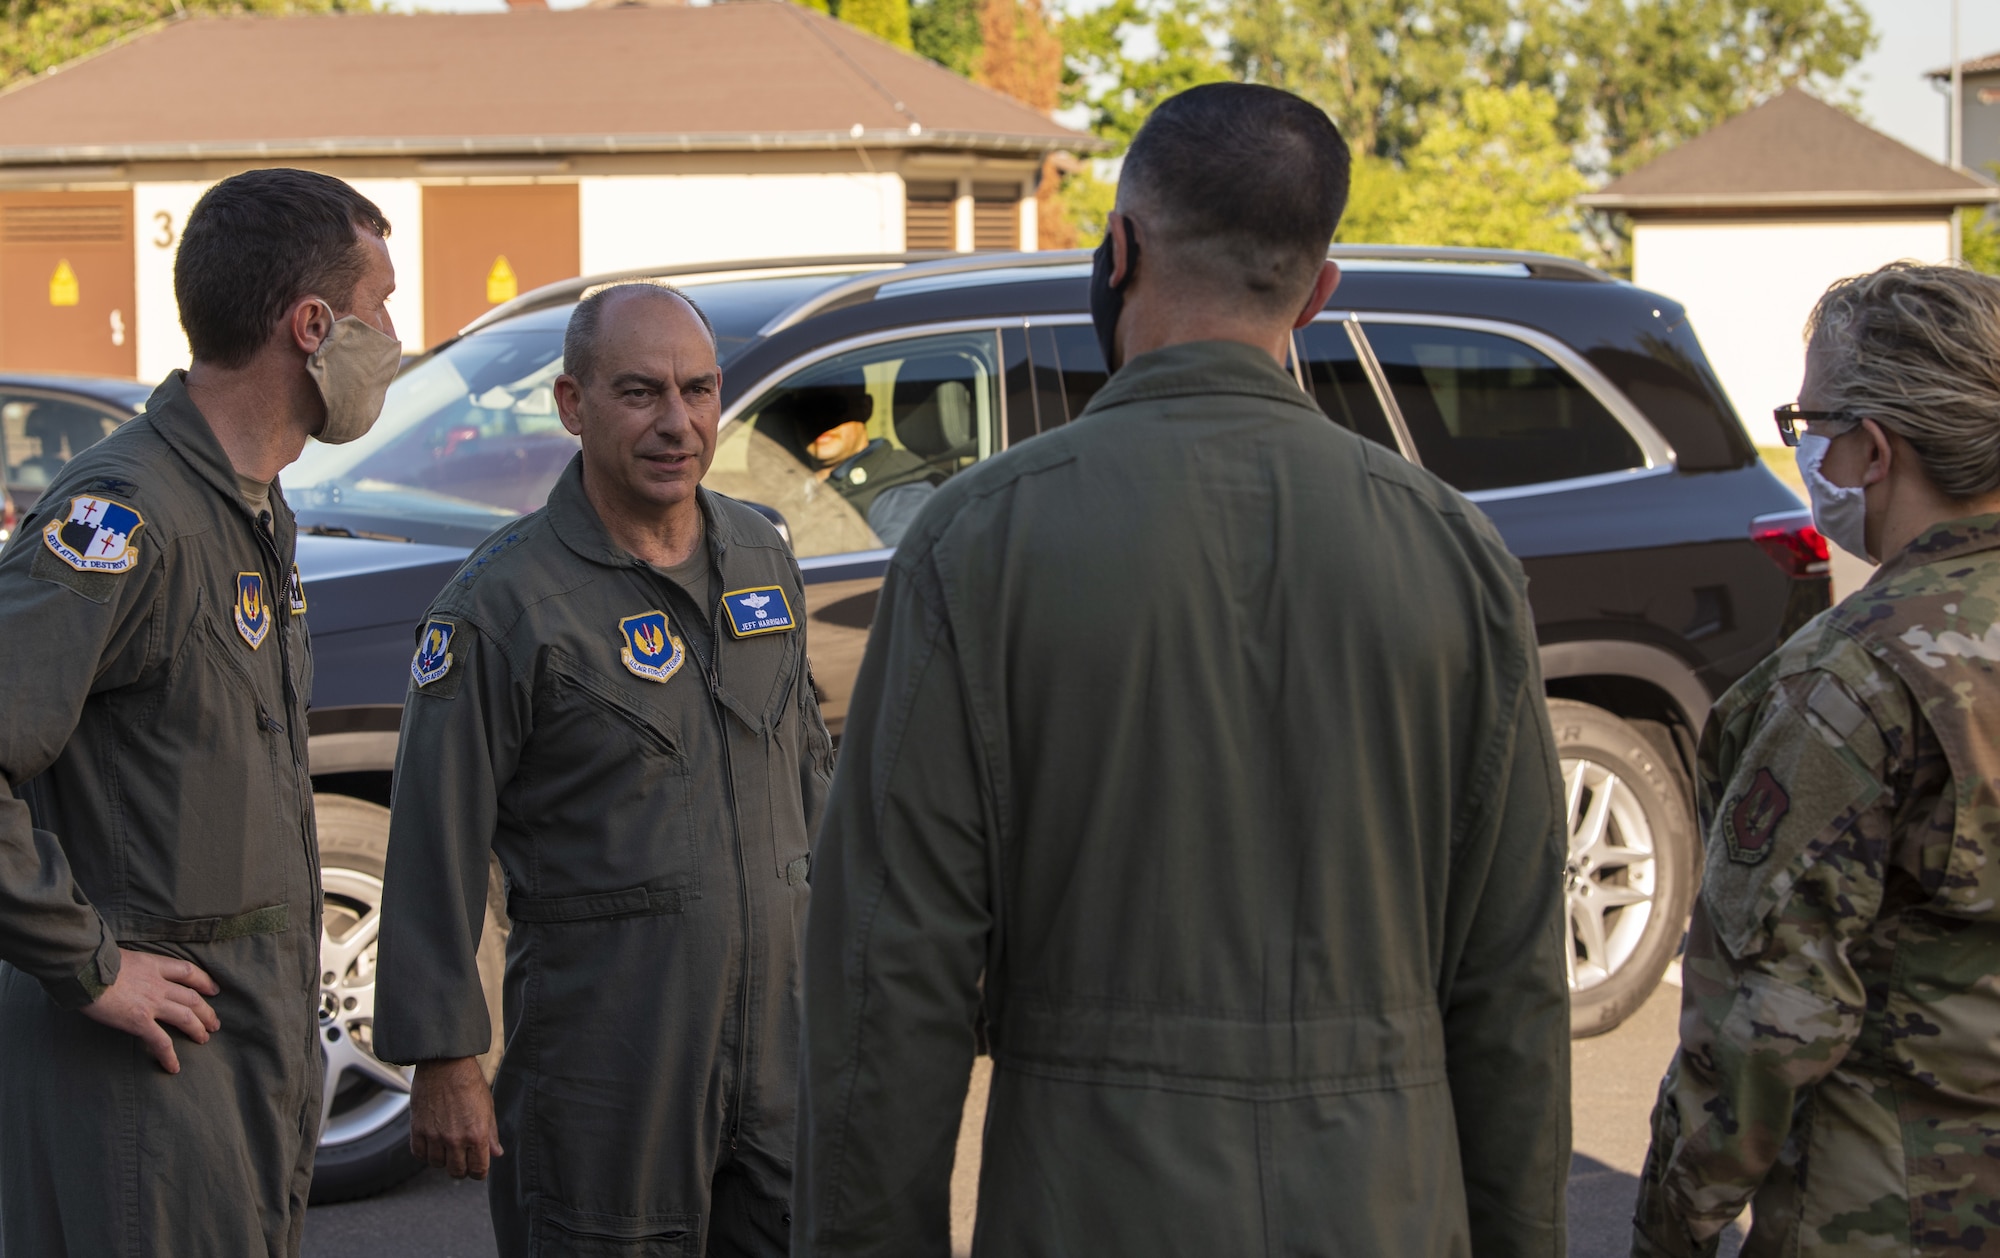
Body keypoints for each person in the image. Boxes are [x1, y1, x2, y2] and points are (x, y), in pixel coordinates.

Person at [795, 82, 1571, 1256]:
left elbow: (886, 985)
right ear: (1319, 293)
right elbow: (1511, 992)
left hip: (1089, 1201)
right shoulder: (1455, 556)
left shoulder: (980, 541)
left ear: (1119, 249)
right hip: (1386, 1206)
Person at [374, 281, 833, 1257]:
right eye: (639, 393)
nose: (678, 423)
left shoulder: (760, 554)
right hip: (607, 1061)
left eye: (698, 390)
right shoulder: (501, 605)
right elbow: (430, 842)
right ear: (572, 406)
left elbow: (808, 783)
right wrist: (444, 1056)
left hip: (778, 1056)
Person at [0, 168, 401, 1255]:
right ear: (311, 325)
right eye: (382, 309)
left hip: (239, 1068)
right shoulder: (129, 515)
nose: (394, 342)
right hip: (143, 1091)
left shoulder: (248, 509)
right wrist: (87, 961)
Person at [1633, 262, 2000, 1256]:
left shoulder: (1848, 677)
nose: (1808, 452)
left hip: (1894, 1207)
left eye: (1808, 425)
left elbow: (1771, 1012)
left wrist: (1673, 1221)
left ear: (1871, 448)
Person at [772, 377, 939, 545]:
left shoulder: (898, 491)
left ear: (865, 408)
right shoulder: (781, 485)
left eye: (833, 406)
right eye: (805, 410)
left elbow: (894, 568)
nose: (819, 420)